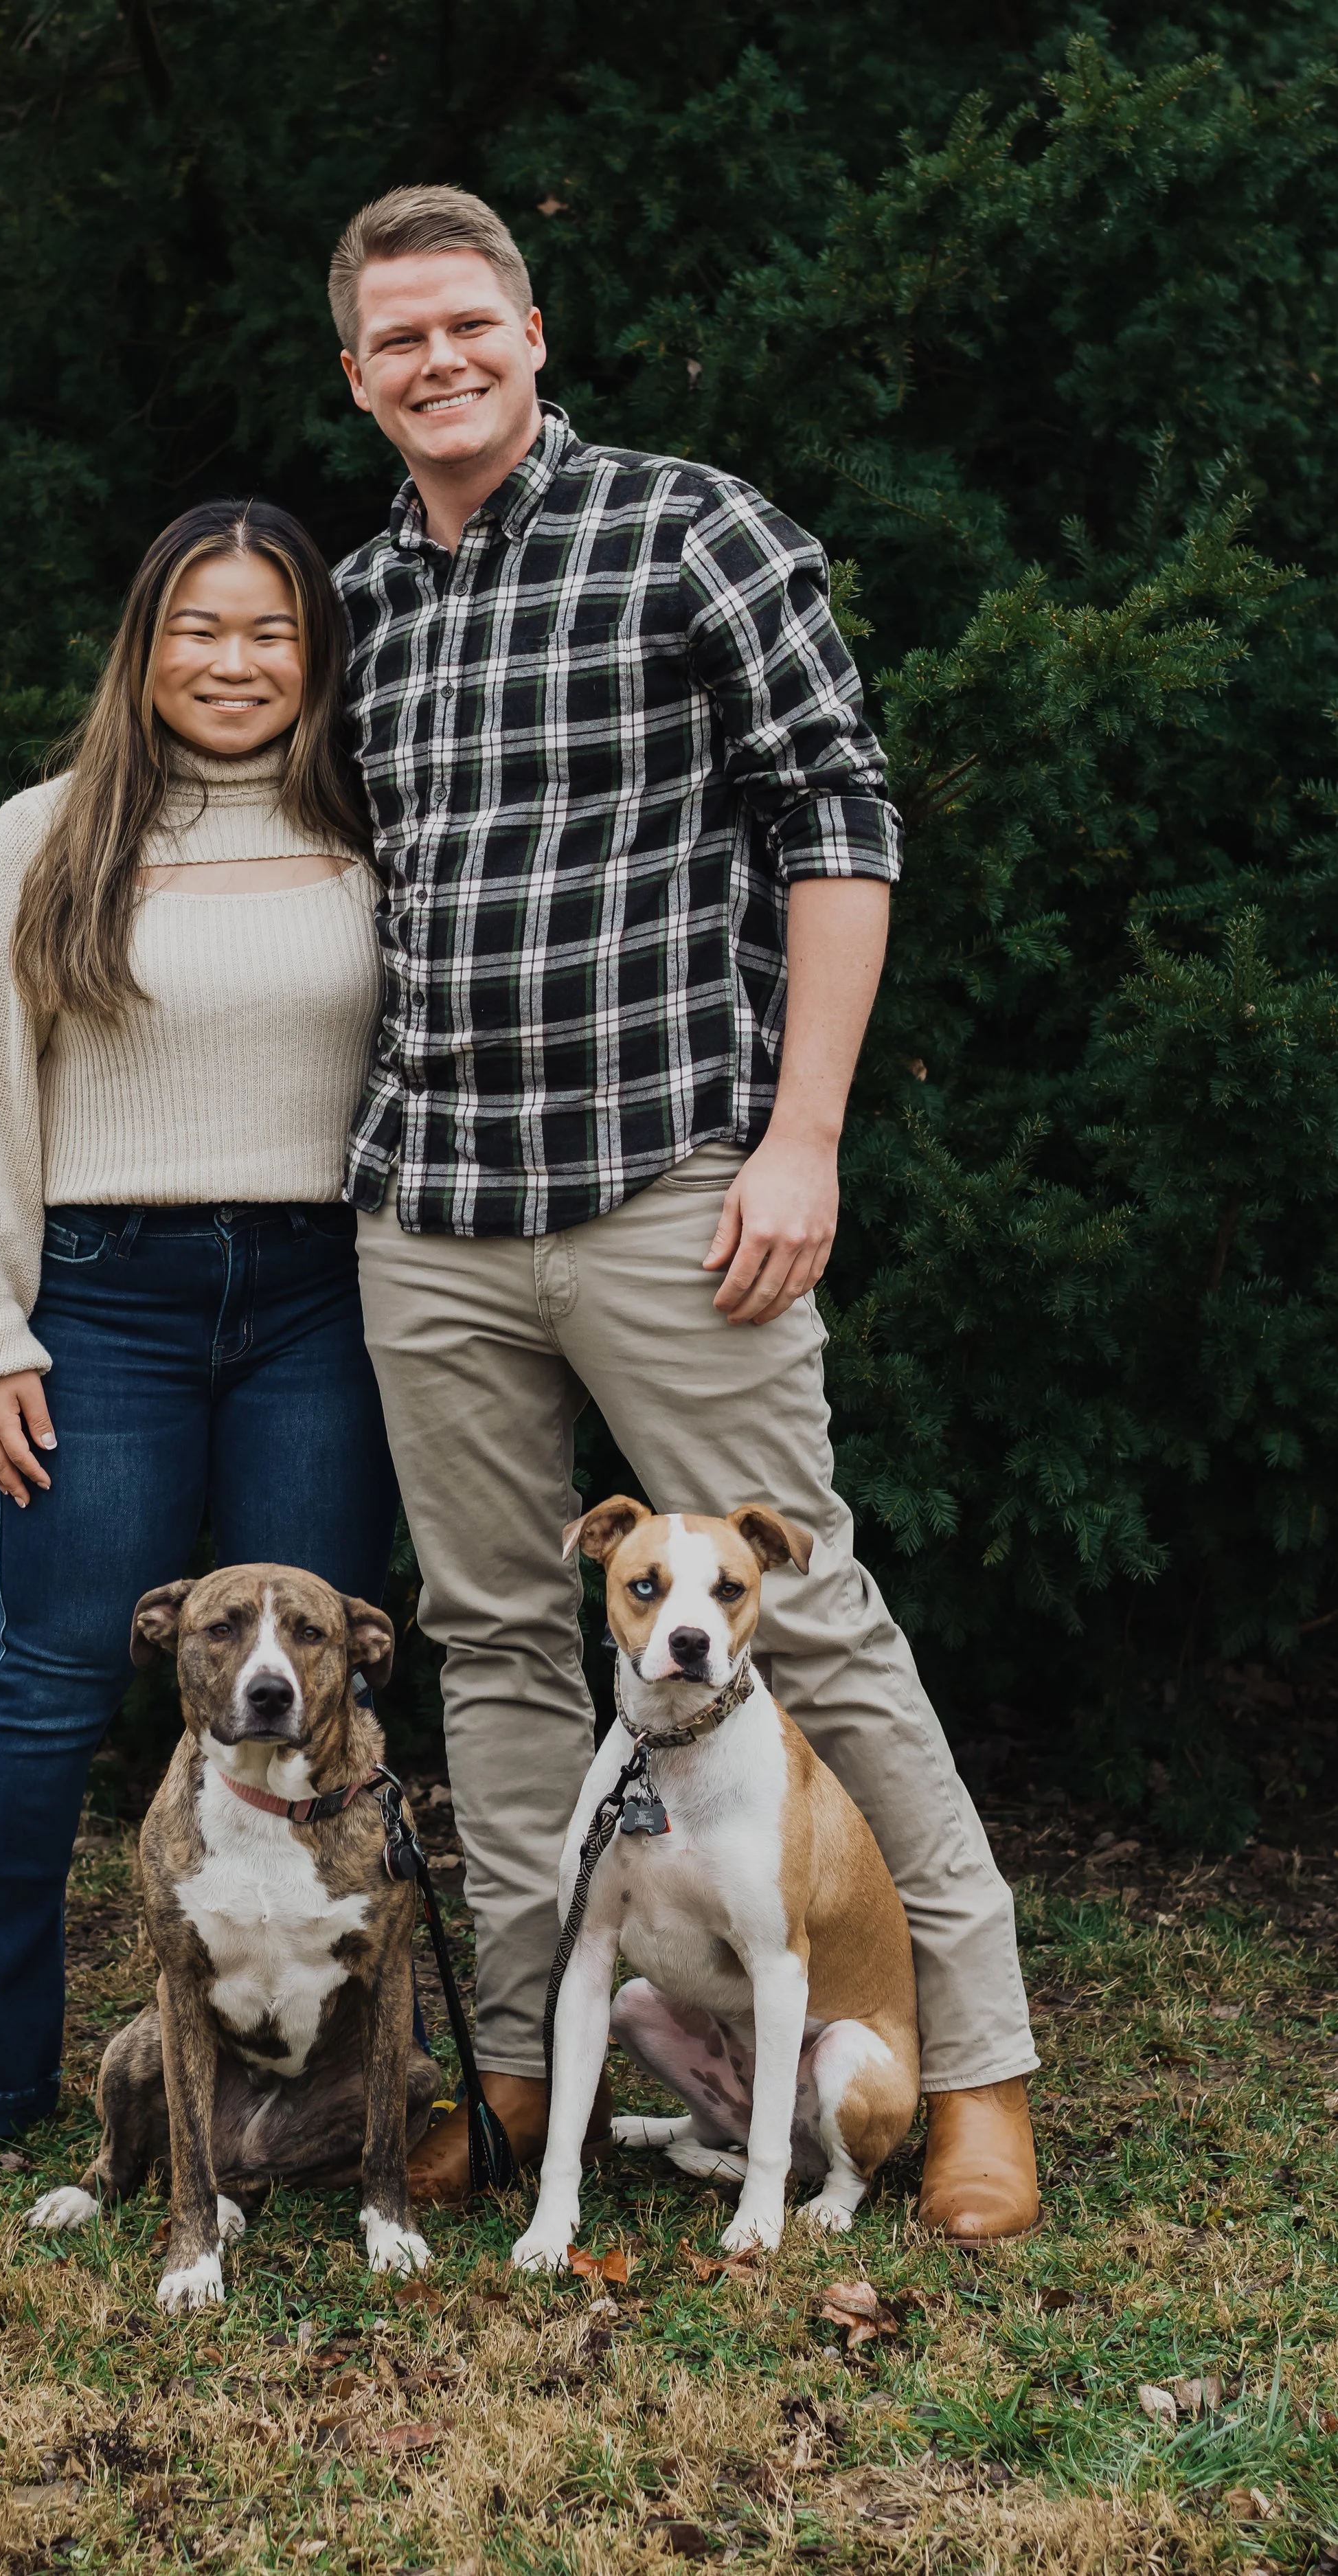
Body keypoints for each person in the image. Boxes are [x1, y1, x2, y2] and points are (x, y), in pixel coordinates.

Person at [324, 185, 1041, 2237]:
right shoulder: (364, 599)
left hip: (673, 1186)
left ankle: (977, 2066)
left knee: (803, 1611)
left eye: (470, 324)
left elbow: (838, 810)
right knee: (491, 1643)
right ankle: (527, 2069)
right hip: (433, 1203)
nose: (439, 362)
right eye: (399, 340)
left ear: (532, 333)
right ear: (356, 374)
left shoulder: (691, 527)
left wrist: (801, 1132)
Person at [0, 499, 398, 2175]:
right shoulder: (50, 831)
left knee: (314, 1702)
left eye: (271, 634)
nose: (233, 665)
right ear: (143, 650)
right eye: (197, 632)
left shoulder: (376, 824)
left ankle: (322, 2095)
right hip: (100, 1295)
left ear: (319, 654)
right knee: (52, 1675)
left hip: (326, 1291)